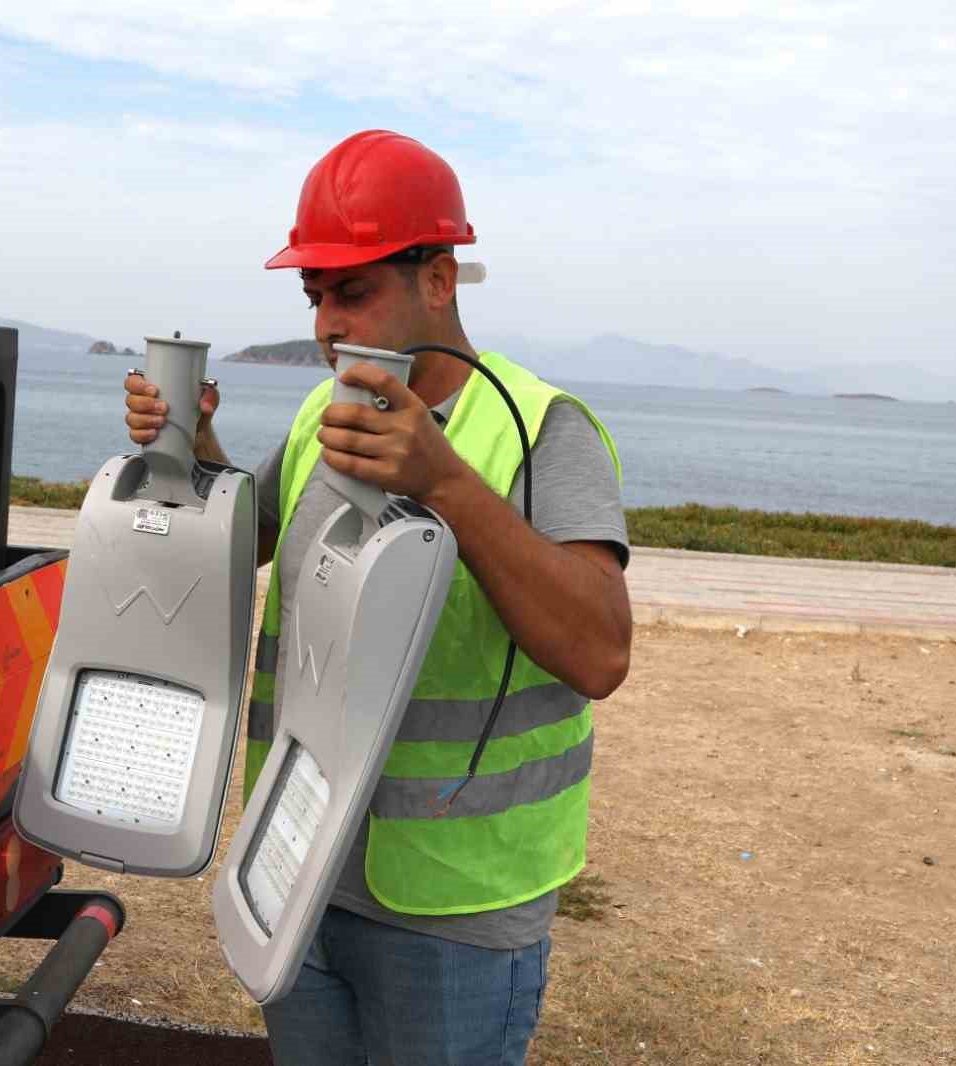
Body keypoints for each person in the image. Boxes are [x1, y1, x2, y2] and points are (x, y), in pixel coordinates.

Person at [124, 129, 632, 1066]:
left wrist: (447, 483)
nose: (325, 324)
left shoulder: (544, 430)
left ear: (437, 278)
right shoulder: (327, 410)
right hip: (300, 861)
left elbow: (600, 651)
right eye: (315, 296)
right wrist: (194, 452)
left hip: (452, 902)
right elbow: (255, 538)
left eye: (351, 291)